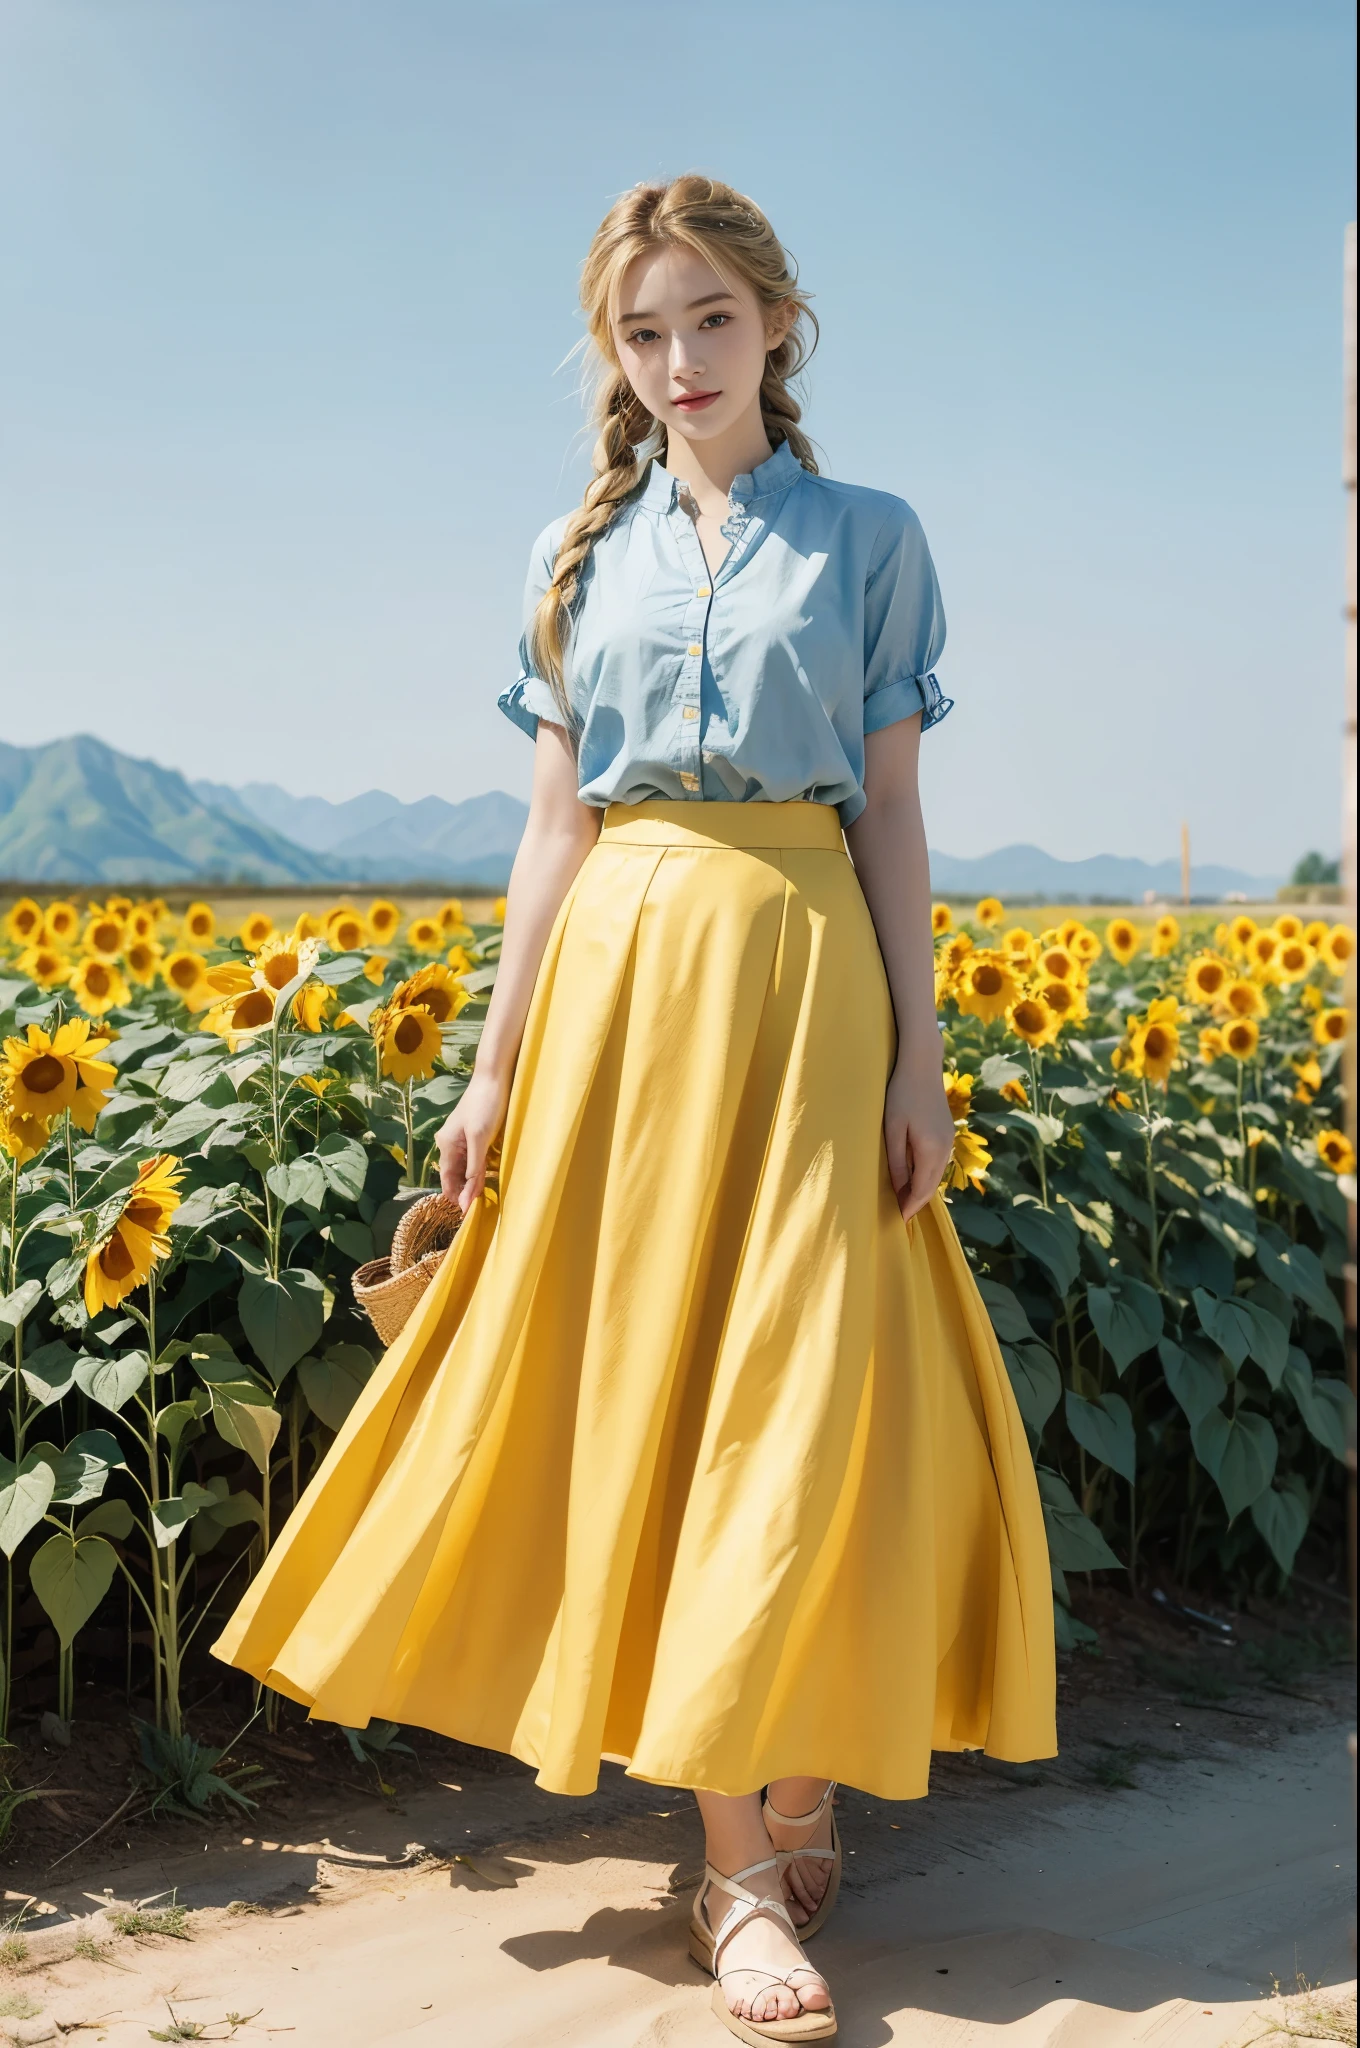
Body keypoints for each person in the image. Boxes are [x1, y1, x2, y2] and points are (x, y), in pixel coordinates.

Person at [213, 174, 1056, 2046]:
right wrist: (495, 1064)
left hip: (809, 981)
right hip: (616, 996)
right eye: (645, 333)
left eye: (712, 324)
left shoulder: (872, 537)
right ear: (616, 355)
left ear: (779, 326)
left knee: (797, 1392)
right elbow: (550, 835)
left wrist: (923, 1057)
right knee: (658, 1397)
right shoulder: (570, 554)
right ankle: (738, 1868)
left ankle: (792, 1760)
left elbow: (894, 815)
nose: (681, 363)